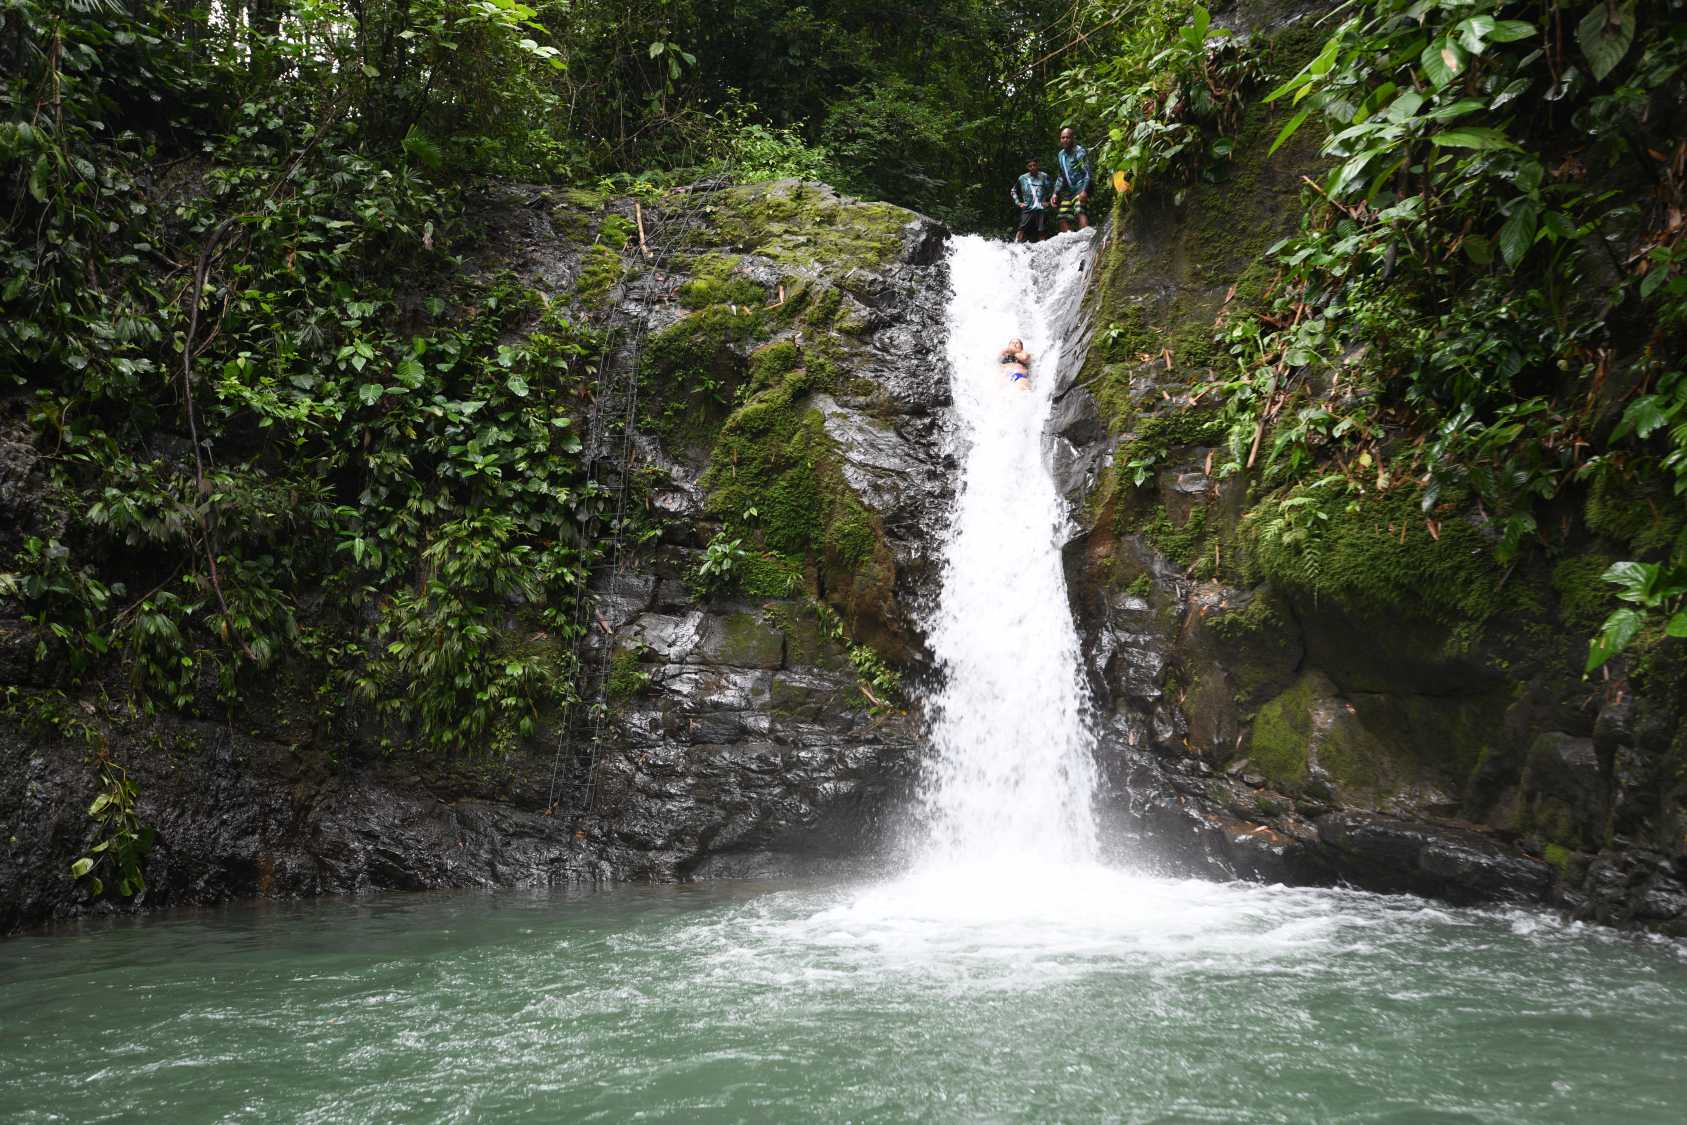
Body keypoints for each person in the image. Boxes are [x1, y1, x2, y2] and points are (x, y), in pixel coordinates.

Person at [1052, 127, 1091, 233]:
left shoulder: (1079, 151)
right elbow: (1061, 176)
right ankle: (1070, 245)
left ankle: (1086, 239)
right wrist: (1055, 193)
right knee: (1062, 216)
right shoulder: (1061, 155)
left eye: (1067, 137)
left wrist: (1084, 191)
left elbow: (1087, 173)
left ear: (1073, 138)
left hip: (1081, 186)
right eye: (1062, 138)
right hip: (1070, 190)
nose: (1065, 140)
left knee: (1079, 210)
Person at [1011, 158, 1055, 243]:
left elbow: (1053, 190)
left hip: (1041, 207)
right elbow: (1013, 191)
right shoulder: (1022, 178)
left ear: (1037, 165)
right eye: (1030, 166)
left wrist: (1049, 202)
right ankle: (1015, 247)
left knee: (1041, 230)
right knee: (1021, 229)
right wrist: (1018, 203)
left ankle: (1043, 249)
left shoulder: (1044, 176)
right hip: (1028, 207)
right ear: (1027, 167)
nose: (1032, 167)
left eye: (1034, 165)